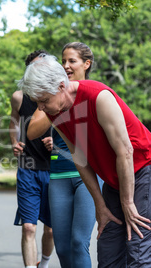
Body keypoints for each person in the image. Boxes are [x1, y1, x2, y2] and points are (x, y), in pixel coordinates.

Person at [19, 54, 151, 267]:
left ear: (61, 86)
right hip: (113, 179)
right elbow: (80, 159)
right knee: (108, 252)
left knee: (137, 247)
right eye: (38, 102)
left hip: (142, 170)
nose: (41, 108)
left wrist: (127, 202)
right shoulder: (57, 110)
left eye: (43, 101)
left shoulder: (98, 96)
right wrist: (100, 205)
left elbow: (125, 152)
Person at [27, 42, 99, 267]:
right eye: (63, 61)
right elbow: (31, 132)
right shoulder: (54, 94)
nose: (66, 65)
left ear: (86, 64)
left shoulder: (94, 92)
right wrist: (54, 118)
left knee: (79, 242)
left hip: (88, 175)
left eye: (72, 61)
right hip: (59, 174)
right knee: (63, 246)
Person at [9, 50, 54, 268]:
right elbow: (14, 123)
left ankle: (43, 263)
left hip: (54, 169)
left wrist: (57, 144)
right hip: (28, 167)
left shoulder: (58, 95)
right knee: (29, 227)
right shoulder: (19, 97)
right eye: (36, 66)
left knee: (51, 229)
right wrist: (14, 142)